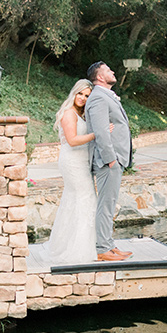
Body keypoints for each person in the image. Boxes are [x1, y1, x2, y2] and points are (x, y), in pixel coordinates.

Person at [48, 79, 102, 265]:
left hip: (81, 161)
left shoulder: (81, 114)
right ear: (74, 92)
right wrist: (97, 134)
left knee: (76, 200)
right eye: (80, 94)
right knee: (85, 199)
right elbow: (72, 140)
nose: (83, 98)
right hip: (72, 162)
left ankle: (73, 246)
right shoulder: (69, 114)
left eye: (87, 96)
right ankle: (78, 251)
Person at [85, 61, 133, 262]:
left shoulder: (105, 96)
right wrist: (111, 159)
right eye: (108, 70)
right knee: (106, 205)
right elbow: (101, 132)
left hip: (114, 160)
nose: (112, 71)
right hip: (108, 161)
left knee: (110, 203)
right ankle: (103, 248)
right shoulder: (97, 97)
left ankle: (109, 245)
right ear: (99, 77)